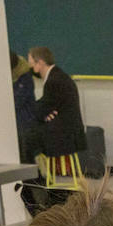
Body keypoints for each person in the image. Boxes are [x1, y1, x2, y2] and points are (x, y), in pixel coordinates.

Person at [21, 45, 85, 214]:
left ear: (40, 62)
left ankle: (32, 180)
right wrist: (43, 112)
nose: (30, 68)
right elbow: (45, 108)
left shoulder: (54, 80)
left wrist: (41, 112)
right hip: (66, 130)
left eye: (31, 64)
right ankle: (36, 177)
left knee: (26, 137)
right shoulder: (57, 76)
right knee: (31, 132)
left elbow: (42, 108)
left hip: (65, 135)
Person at [10, 50, 37, 160]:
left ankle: (32, 177)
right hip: (15, 122)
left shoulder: (25, 77)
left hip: (25, 122)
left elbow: (18, 101)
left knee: (25, 154)